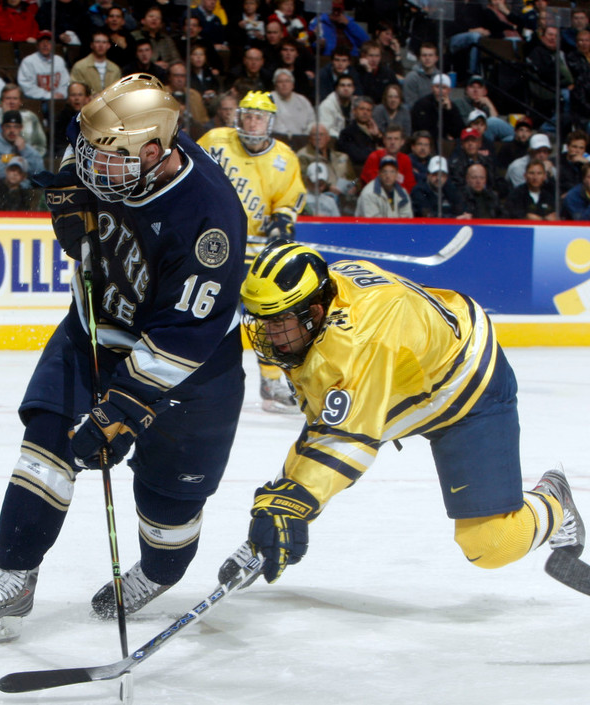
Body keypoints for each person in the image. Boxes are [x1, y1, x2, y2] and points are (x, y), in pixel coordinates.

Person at [0, 74, 248, 642]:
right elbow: (80, 146)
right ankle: (14, 576)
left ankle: (159, 572)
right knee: (46, 443)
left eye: (106, 163)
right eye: (90, 158)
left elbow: (184, 336)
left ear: (156, 154)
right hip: (94, 330)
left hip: (189, 370)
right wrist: (66, 192)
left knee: (167, 508)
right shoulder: (113, 145)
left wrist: (120, 411)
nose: (93, 169)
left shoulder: (209, 219)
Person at [218, 239, 584, 589]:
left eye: (277, 320)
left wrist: (288, 507)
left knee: (491, 544)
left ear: (314, 312)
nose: (266, 333)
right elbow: (322, 433)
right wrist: (285, 508)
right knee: (321, 452)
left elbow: (344, 443)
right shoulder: (320, 304)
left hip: (466, 384)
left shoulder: (354, 343)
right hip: (410, 376)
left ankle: (554, 501)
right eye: (261, 319)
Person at [198, 90, 305, 412]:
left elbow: (288, 200)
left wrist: (281, 222)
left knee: (268, 314)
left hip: (254, 250)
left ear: (270, 122)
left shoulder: (284, 158)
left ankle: (272, 381)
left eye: (259, 116)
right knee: (204, 309)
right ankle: (194, 375)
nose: (252, 121)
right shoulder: (215, 141)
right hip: (213, 243)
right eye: (247, 115)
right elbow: (189, 177)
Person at [0, 109, 42, 182]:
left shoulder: (23, 145)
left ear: (21, 128)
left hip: (22, 188)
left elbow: (39, 171)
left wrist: (24, 151)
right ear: (2, 127)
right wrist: (23, 174)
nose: (12, 130)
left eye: (16, 127)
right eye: (8, 126)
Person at [359, 124, 415, 193]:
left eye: (396, 139)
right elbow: (374, 183)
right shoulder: (374, 157)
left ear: (402, 142)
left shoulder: (405, 159)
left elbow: (410, 185)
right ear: (384, 140)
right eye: (389, 139)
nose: (392, 142)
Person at [17, 30, 69, 102]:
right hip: (38, 101)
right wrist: (49, 96)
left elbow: (65, 83)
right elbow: (27, 87)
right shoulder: (28, 61)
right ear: (37, 45)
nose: (45, 45)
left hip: (59, 99)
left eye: (48, 42)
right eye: (42, 42)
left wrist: (61, 93)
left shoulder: (59, 60)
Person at [0, 83, 46, 157]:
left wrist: (31, 158)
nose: (11, 102)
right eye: (8, 98)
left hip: (28, 161)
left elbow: (40, 145)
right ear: (1, 101)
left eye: (15, 98)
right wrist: (6, 116)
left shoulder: (30, 117)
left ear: (20, 101)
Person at [70, 29, 121, 95]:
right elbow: (75, 91)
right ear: (92, 45)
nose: (101, 45)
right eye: (97, 42)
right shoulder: (79, 66)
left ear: (108, 46)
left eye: (104, 42)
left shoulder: (115, 69)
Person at [271, 68, 312, 137]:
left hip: (303, 139)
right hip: (279, 139)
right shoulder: (270, 99)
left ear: (292, 85)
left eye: (287, 81)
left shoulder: (302, 100)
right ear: (275, 85)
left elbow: (312, 121)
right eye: (280, 82)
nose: (284, 84)